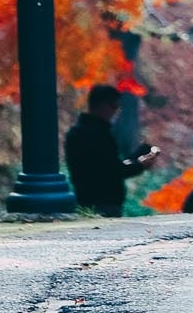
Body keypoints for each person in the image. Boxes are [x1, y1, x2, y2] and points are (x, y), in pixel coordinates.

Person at [63, 85, 157, 217]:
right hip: (103, 203)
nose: (116, 112)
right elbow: (110, 170)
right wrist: (140, 165)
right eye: (114, 106)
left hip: (86, 200)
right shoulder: (98, 134)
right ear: (103, 105)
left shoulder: (77, 132)